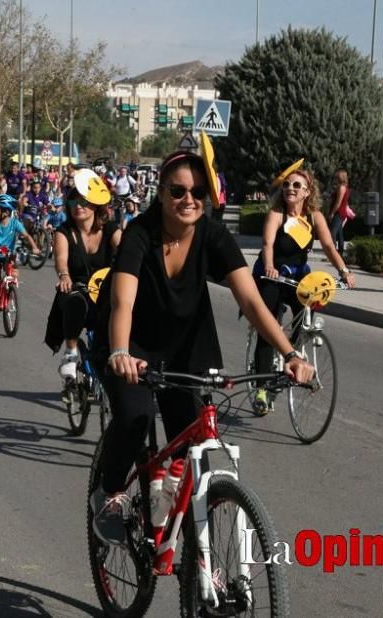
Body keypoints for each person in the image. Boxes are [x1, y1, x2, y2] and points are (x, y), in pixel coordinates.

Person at [87, 150, 315, 545]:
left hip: (185, 348)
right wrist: (120, 352)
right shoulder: (139, 233)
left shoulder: (213, 234)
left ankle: (198, 564)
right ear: (160, 193)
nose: (188, 199)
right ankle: (108, 495)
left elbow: (252, 302)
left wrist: (290, 354)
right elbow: (123, 302)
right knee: (135, 417)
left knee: (195, 452)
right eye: (177, 191)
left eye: (198, 191)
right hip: (131, 345)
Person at [251, 167, 356, 414]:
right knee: (268, 327)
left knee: (304, 316)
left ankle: (290, 353)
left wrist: (344, 272)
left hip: (298, 275)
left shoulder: (314, 216)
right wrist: (269, 266)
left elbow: (329, 246)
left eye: (297, 186)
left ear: (307, 192)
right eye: (287, 185)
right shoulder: (277, 214)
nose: (290, 189)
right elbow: (267, 243)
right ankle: (262, 388)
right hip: (273, 274)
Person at [44, 172, 121, 385]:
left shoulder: (110, 230)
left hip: (105, 291)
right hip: (76, 288)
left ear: (96, 205)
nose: (78, 205)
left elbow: (127, 251)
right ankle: (70, 353)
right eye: (73, 200)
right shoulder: (63, 231)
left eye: (84, 201)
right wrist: (64, 276)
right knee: (75, 300)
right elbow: (61, 259)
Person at [0, 194, 39, 319]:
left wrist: (34, 247)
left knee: (14, 275)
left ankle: (9, 295)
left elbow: (27, 236)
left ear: (6, 212)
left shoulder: (15, 223)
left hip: (8, 255)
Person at [328, 168, 351, 251]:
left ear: (340, 177)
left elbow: (338, 202)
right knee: (340, 234)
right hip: (341, 213)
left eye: (336, 177)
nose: (335, 179)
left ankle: (333, 253)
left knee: (332, 233)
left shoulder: (341, 188)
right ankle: (340, 254)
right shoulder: (343, 187)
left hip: (339, 213)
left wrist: (332, 213)